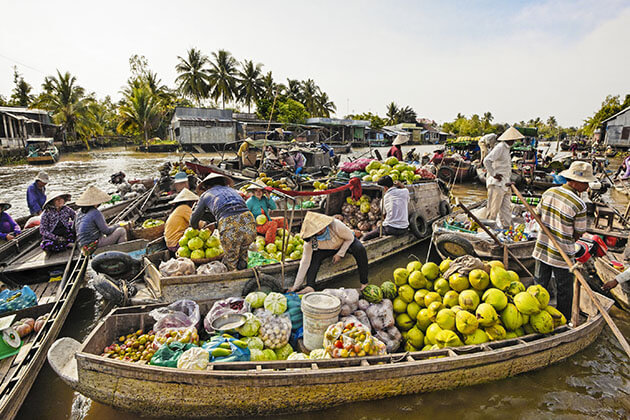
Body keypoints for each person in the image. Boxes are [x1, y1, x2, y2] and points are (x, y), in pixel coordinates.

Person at [533, 161, 596, 319]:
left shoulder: (550, 192)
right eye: (585, 183)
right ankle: (563, 319)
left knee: (539, 286)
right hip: (563, 254)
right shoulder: (579, 204)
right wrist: (565, 237)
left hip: (542, 247)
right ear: (575, 182)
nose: (587, 187)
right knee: (565, 289)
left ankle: (534, 314)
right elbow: (579, 233)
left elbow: (537, 215)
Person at [288, 212, 368, 293]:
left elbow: (350, 238)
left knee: (359, 249)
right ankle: (310, 286)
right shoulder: (311, 241)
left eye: (322, 228)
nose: (322, 230)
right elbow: (305, 262)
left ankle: (364, 283)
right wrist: (296, 286)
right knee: (315, 257)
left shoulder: (336, 225)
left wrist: (340, 254)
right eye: (318, 231)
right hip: (328, 248)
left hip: (346, 242)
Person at [190, 174, 256, 271]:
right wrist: (216, 224)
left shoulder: (206, 195)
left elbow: (194, 219)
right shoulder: (233, 191)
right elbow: (237, 210)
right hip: (249, 220)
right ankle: (246, 275)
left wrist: (195, 228)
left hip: (229, 223)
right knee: (243, 254)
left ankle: (234, 283)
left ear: (207, 186)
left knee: (231, 260)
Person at [483, 126, 521, 227]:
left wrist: (508, 181)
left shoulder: (507, 149)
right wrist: (494, 174)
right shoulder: (500, 147)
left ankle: (507, 229)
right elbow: (487, 160)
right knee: (493, 211)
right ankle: (488, 232)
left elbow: (505, 168)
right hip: (496, 184)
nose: (514, 141)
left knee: (506, 211)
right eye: (513, 139)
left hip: (505, 184)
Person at [76, 186, 128, 254]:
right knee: (121, 231)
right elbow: (107, 231)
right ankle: (121, 254)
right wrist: (118, 224)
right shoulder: (95, 213)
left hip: (82, 247)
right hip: (91, 247)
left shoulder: (78, 212)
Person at [361, 176, 410, 241]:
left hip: (391, 229)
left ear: (385, 188)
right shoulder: (405, 192)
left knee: (367, 236)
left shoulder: (384, 199)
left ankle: (362, 242)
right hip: (404, 228)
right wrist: (400, 184)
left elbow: (384, 216)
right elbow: (404, 188)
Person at [165, 188, 199, 253]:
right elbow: (195, 222)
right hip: (177, 243)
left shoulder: (178, 208)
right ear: (189, 202)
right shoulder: (184, 208)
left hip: (170, 243)